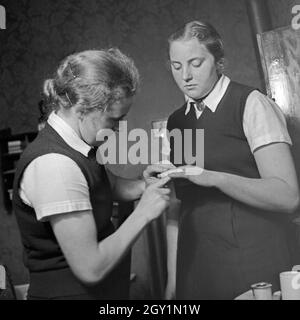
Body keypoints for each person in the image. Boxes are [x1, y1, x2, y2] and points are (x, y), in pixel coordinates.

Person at [12, 48, 171, 300]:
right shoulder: (54, 166)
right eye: (113, 120)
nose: (117, 129)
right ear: (81, 109)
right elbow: (90, 268)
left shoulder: (80, 146)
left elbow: (107, 185)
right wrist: (143, 213)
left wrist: (144, 185)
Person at [164, 21, 300, 300]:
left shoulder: (250, 103)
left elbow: (287, 196)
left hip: (253, 263)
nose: (186, 75)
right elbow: (179, 205)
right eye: (176, 66)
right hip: (198, 269)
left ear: (219, 62)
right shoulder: (177, 121)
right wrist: (173, 279)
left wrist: (215, 178)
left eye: (196, 63)